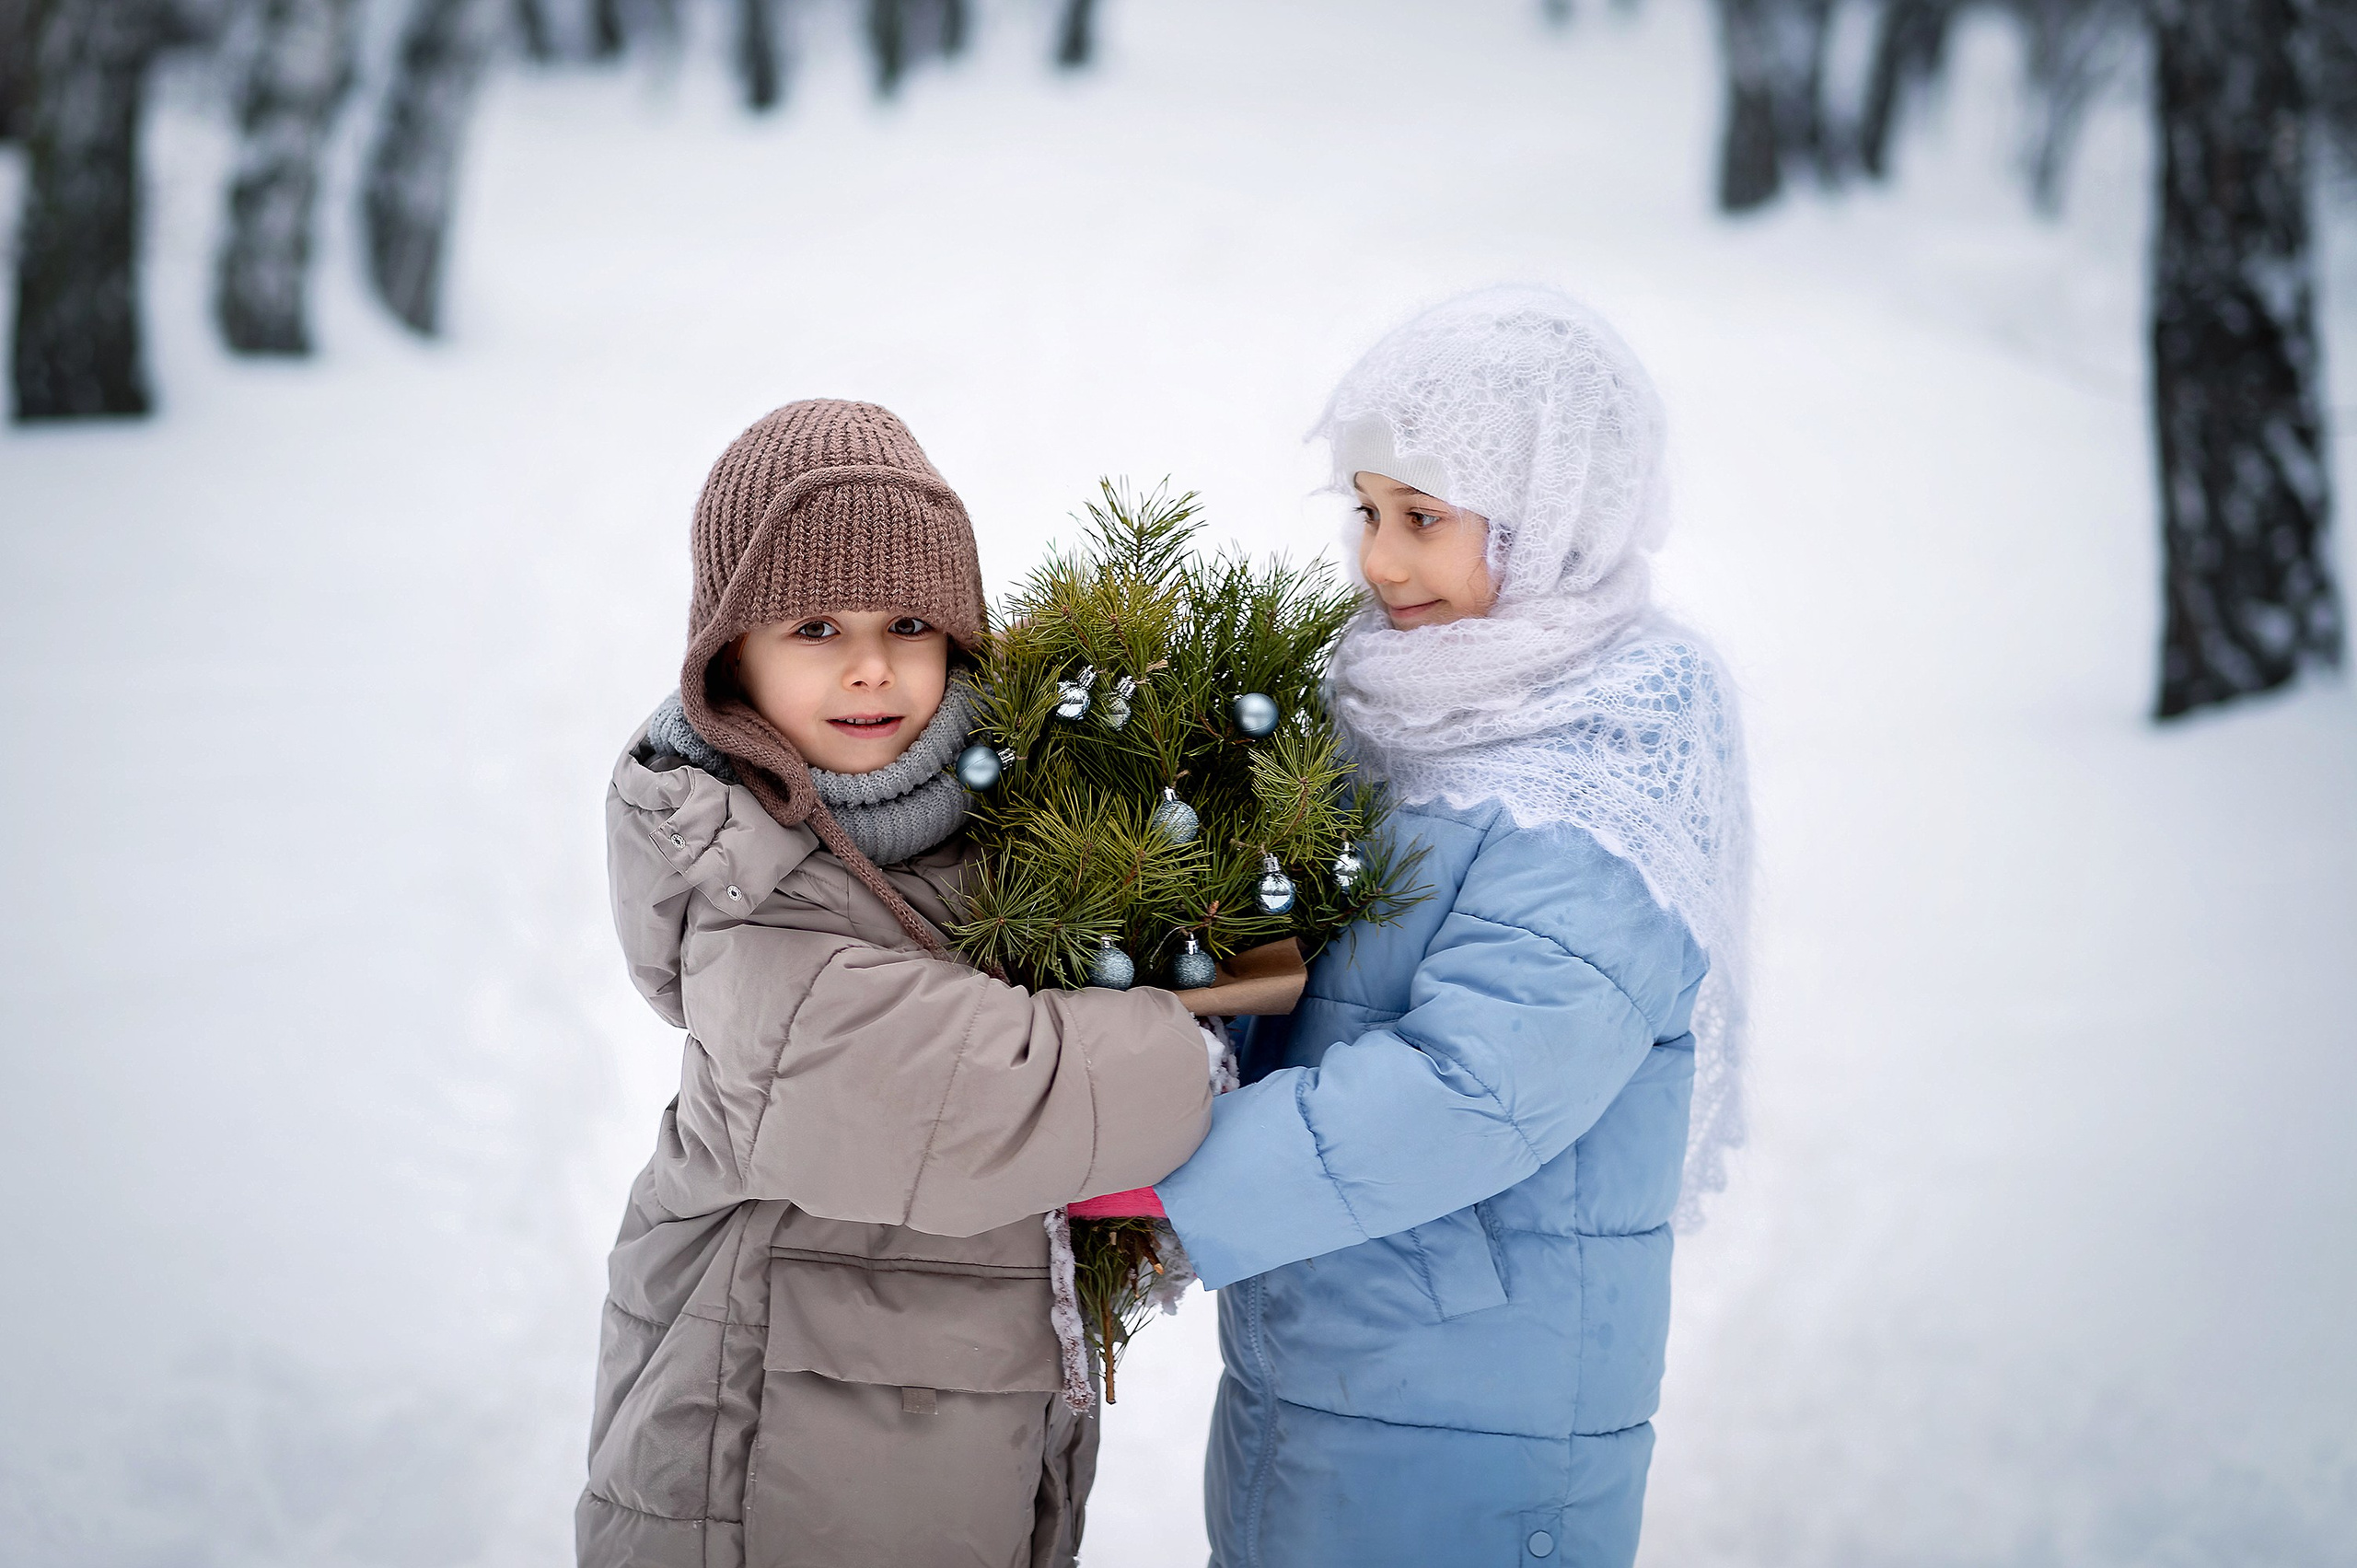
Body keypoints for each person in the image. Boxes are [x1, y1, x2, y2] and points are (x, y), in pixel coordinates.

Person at [1153, 288, 1752, 1568]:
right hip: (1313, 1352)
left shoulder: (1617, 750)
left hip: (1484, 1403)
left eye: (1423, 517)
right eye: (1367, 510)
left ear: (1553, 516)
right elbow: (1296, 969)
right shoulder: (1391, 702)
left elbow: (1477, 1085)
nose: (1381, 560)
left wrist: (1166, 1172)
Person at [576, 399, 1223, 1568]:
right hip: (764, 1477)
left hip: (924, 1454)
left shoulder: (988, 840)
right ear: (729, 658)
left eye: (910, 621)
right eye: (815, 624)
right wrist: (1198, 1048)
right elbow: (996, 1093)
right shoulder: (755, 899)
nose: (871, 665)